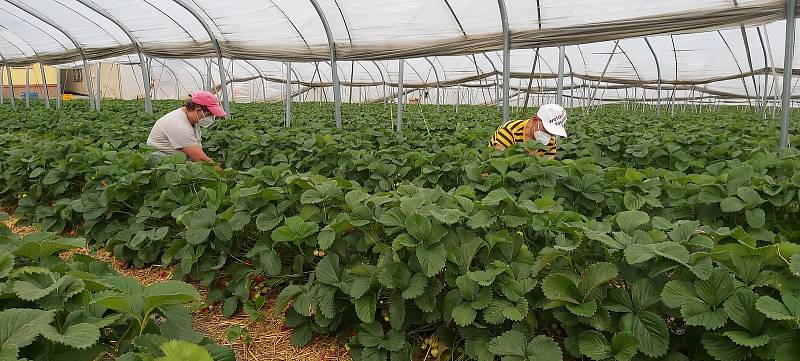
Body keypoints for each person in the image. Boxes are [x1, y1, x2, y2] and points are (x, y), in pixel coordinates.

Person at [147, 91, 226, 166]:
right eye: (208, 115)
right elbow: (201, 159)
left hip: (177, 160)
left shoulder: (192, 119)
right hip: (161, 164)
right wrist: (223, 176)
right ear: (198, 110)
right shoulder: (178, 124)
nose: (211, 118)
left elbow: (197, 148)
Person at [489, 103, 567, 160]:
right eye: (547, 129)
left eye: (553, 132)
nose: (549, 135)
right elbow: (498, 160)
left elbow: (547, 166)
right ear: (535, 120)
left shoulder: (551, 141)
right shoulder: (508, 131)